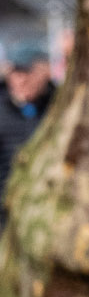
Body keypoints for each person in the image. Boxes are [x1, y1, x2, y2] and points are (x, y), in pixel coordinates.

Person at [0, 43, 54, 204]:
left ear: (46, 72)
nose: (21, 80)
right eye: (16, 73)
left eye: (28, 72)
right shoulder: (2, 108)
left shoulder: (57, 105)